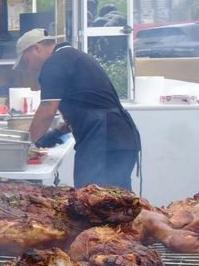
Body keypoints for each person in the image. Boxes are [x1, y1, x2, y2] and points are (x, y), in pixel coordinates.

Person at [15, 29, 141, 189]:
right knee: (120, 206)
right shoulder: (72, 57)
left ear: (37, 48)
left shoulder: (54, 64)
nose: (30, 67)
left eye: (27, 61)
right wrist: (58, 132)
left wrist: (27, 146)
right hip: (120, 139)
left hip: (103, 143)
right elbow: (89, 104)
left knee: (91, 201)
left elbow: (47, 110)